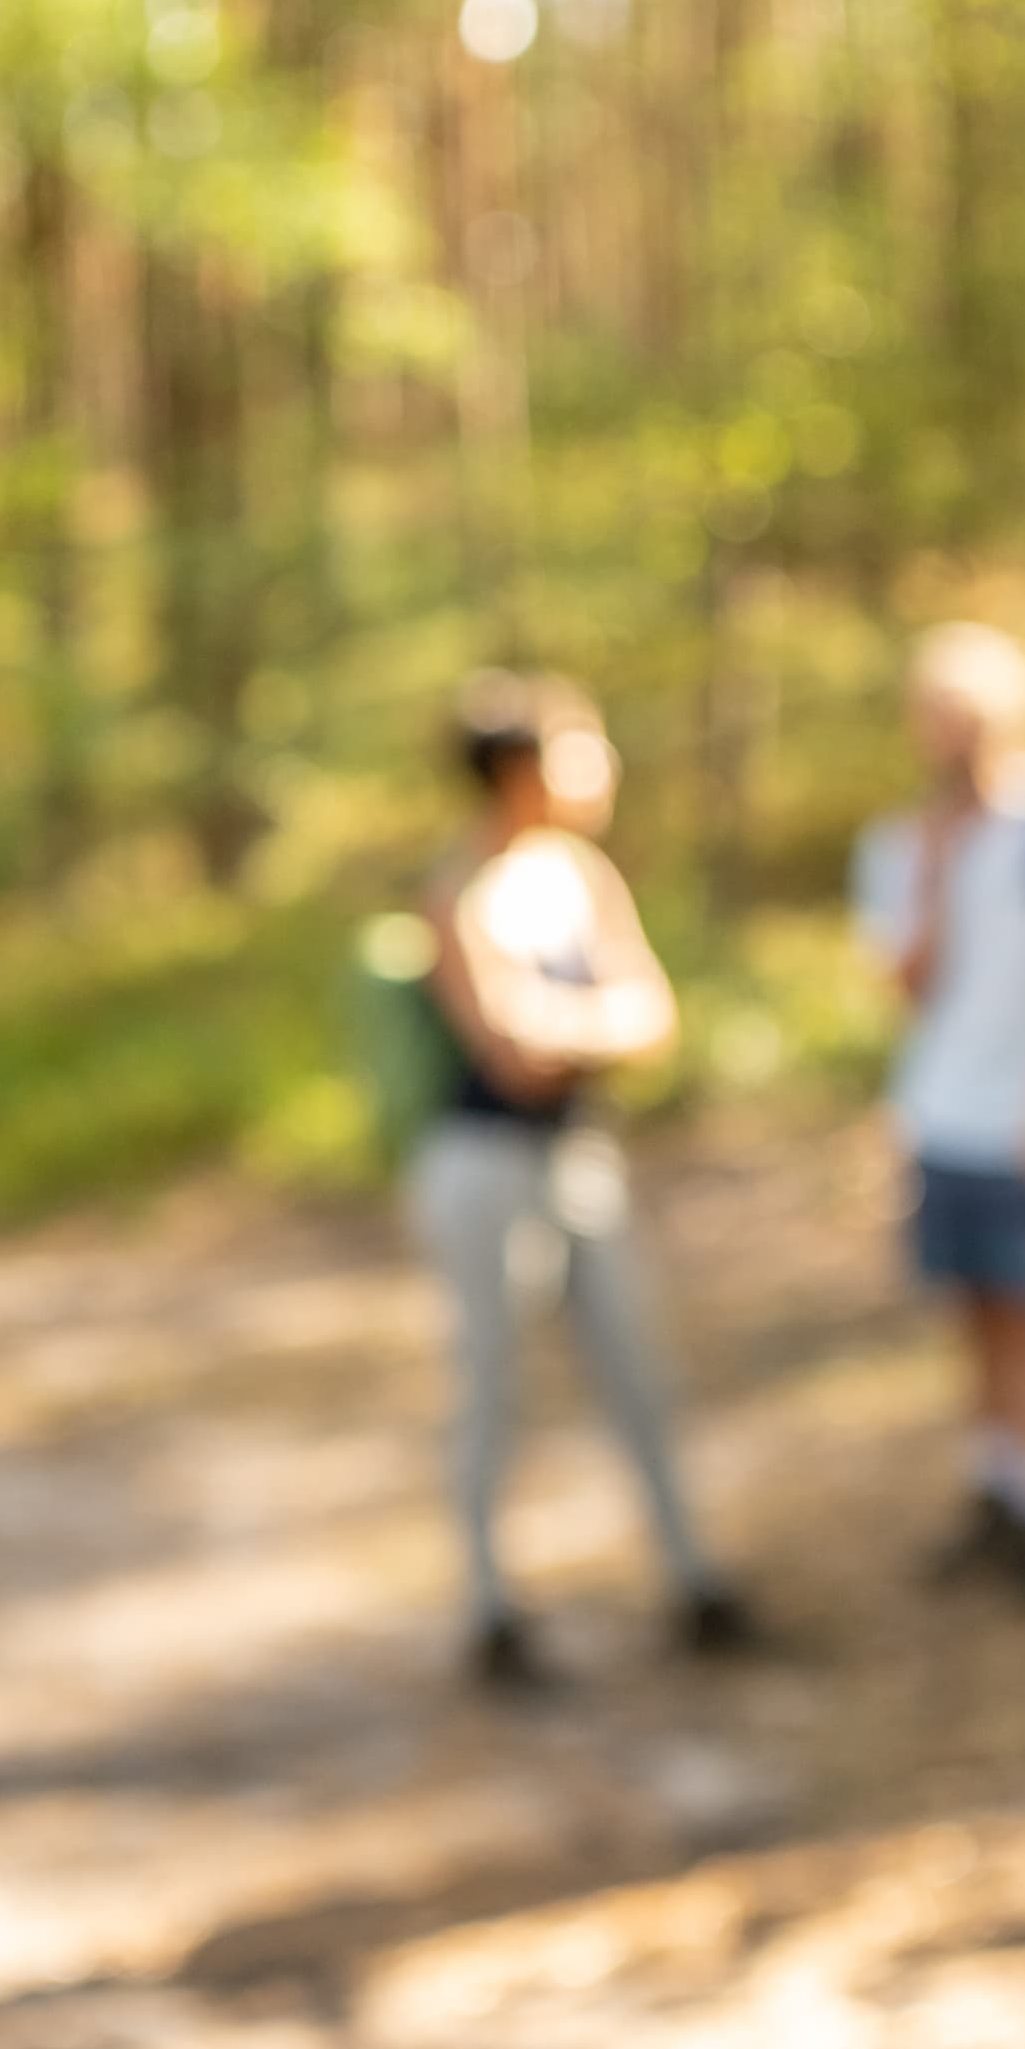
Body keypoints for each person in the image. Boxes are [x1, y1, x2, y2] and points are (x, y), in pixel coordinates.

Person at [409, 671, 752, 1685]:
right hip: (483, 1167)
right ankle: (490, 1610)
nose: (602, 768)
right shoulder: (457, 886)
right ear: (521, 768)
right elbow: (514, 1049)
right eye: (581, 748)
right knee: (491, 1384)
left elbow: (652, 1015)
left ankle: (695, 1580)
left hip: (577, 1158)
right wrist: (589, 1022)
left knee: (639, 1374)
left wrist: (567, 1024)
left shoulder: (580, 873)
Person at [850, 625, 1025, 1597]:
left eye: (969, 716)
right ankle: (997, 1492)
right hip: (944, 1115)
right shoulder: (901, 844)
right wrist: (940, 877)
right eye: (935, 718)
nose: (952, 738)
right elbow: (906, 986)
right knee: (977, 1317)